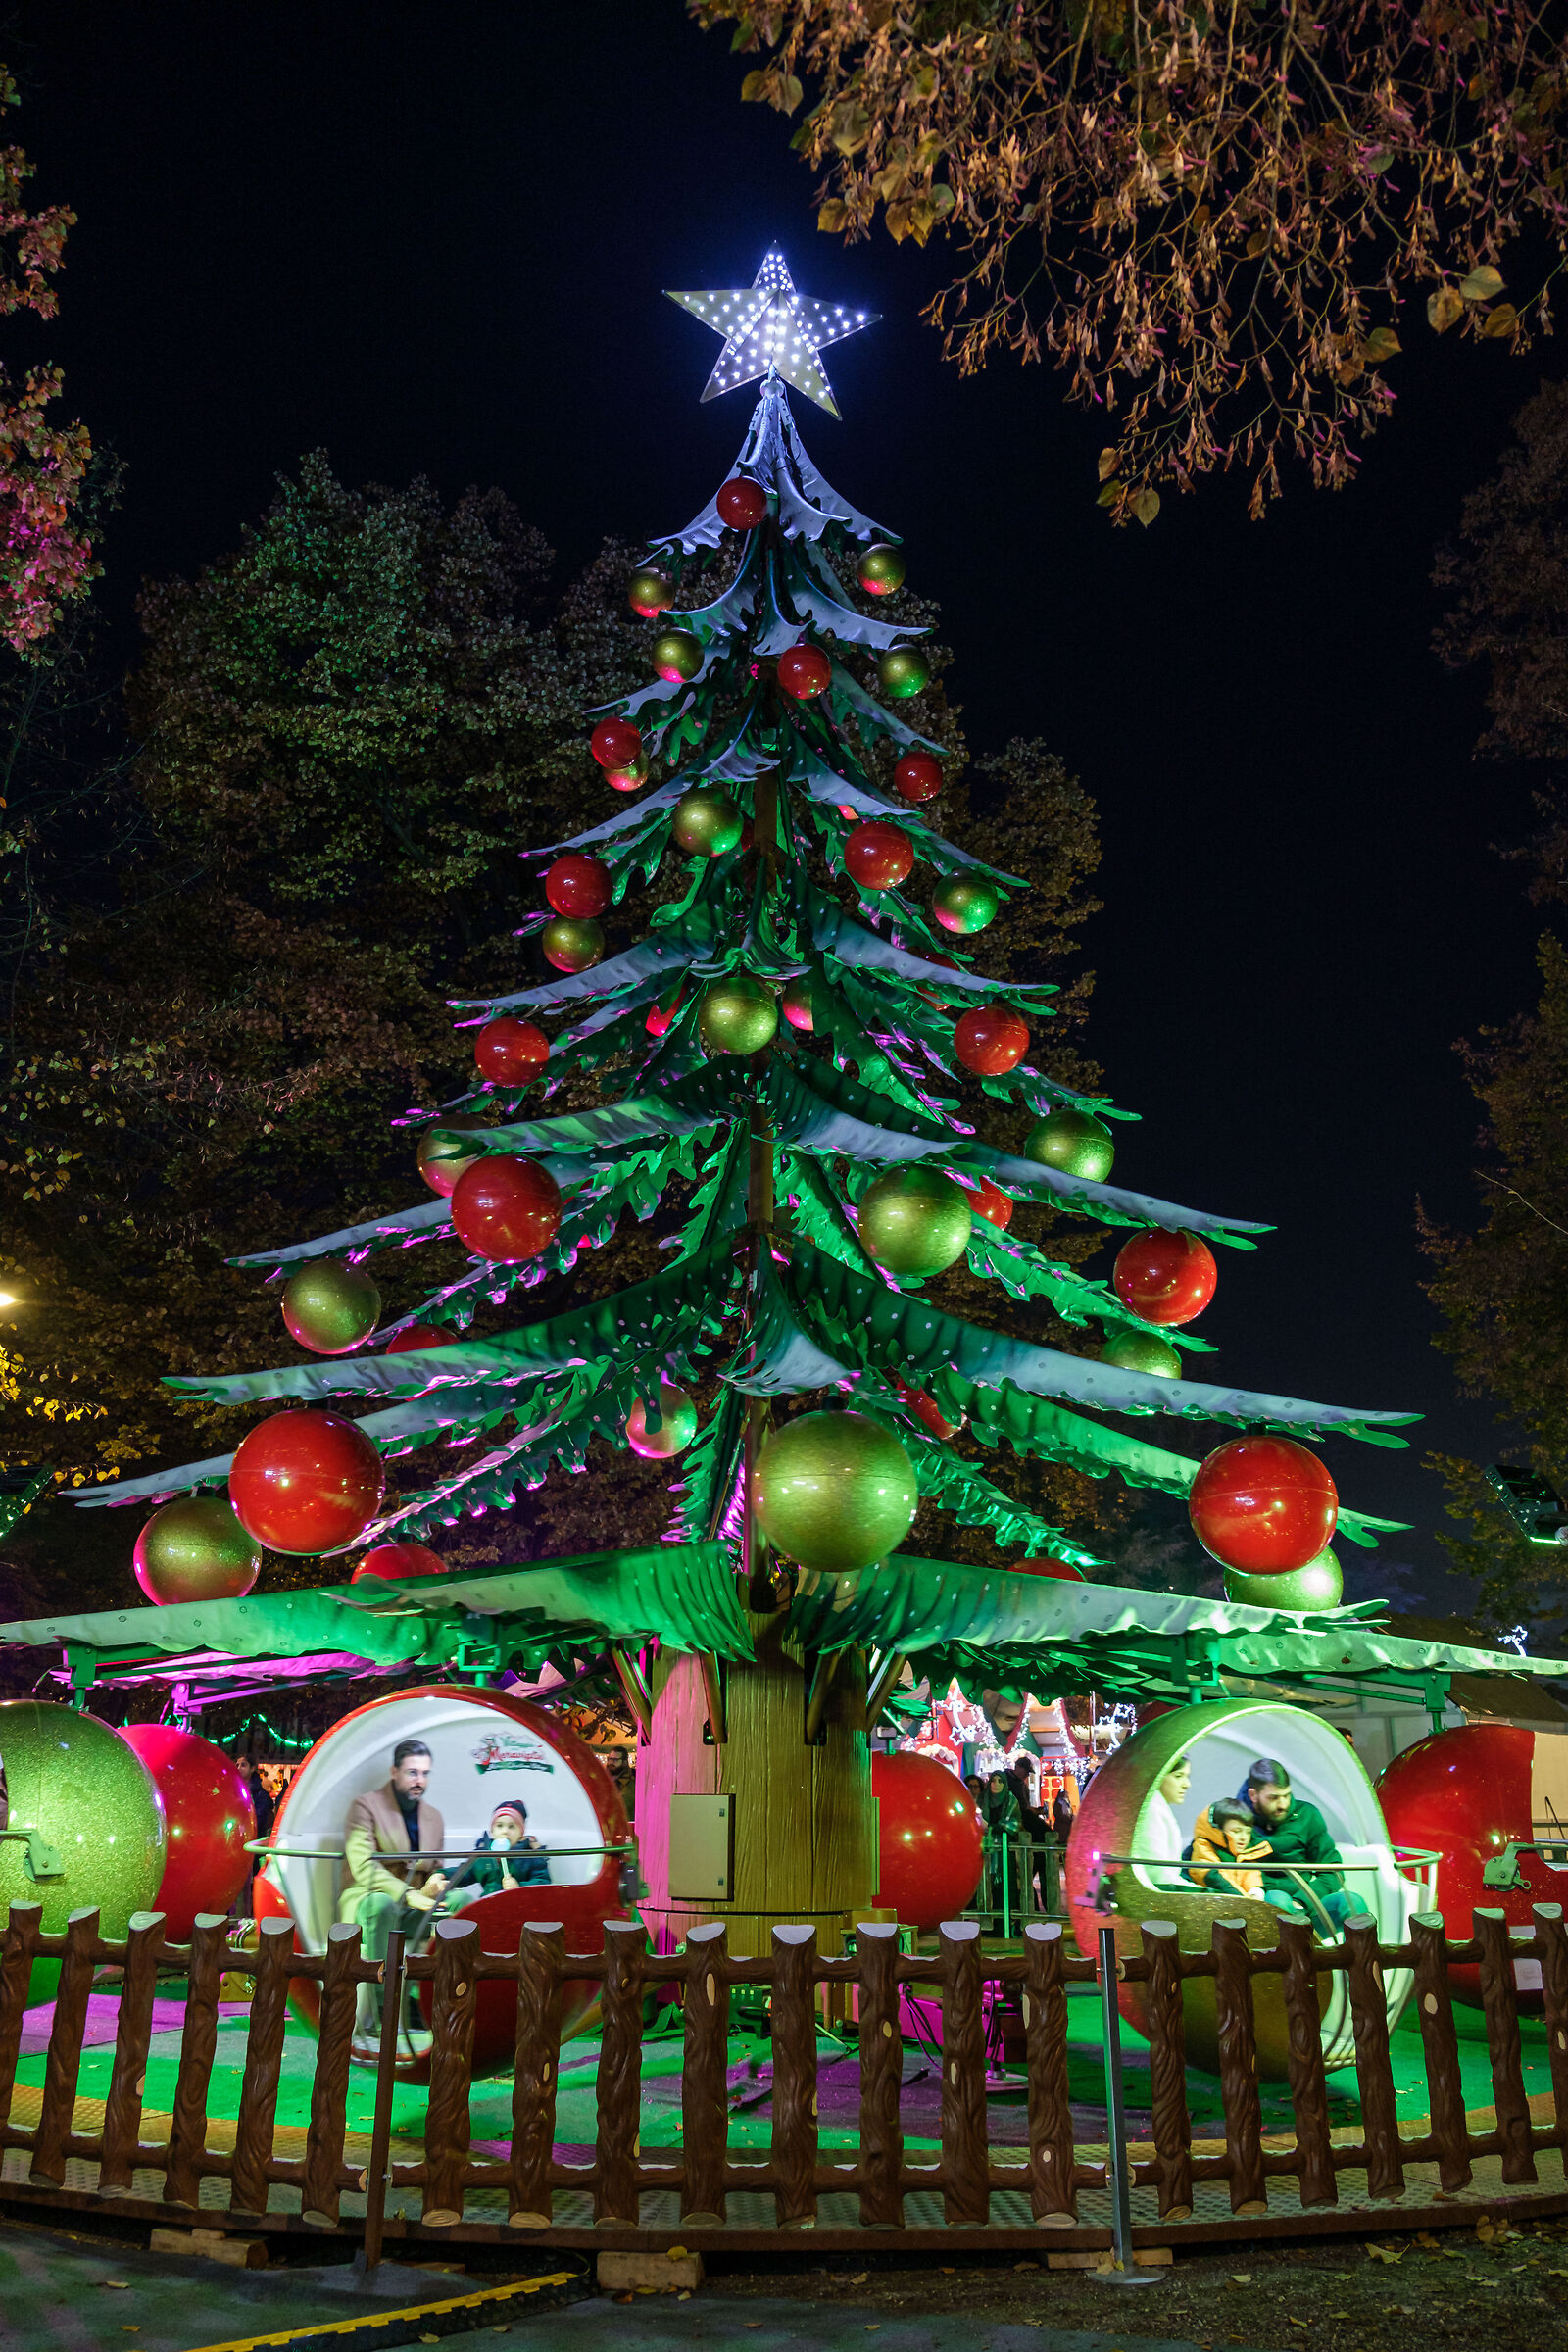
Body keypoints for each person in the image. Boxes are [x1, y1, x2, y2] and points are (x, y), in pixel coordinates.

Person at [339, 1738, 449, 2053]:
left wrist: (435, 1885)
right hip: (369, 1897)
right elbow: (363, 1867)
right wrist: (408, 1894)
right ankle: (385, 2015)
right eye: (412, 1773)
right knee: (382, 1906)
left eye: (425, 1773)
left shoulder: (434, 1817)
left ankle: (441, 2009)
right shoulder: (365, 1807)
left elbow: (434, 1868)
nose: (420, 1781)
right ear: (394, 1772)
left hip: (415, 1898)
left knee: (464, 1906)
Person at [1237, 1755, 1369, 1931]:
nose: (1282, 1804)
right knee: (1278, 1900)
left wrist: (1301, 1902)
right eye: (1274, 1798)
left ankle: (1362, 1957)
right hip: (1262, 1907)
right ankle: (1298, 1956)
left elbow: (1332, 1871)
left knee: (1353, 1903)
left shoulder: (1307, 1815)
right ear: (1253, 1795)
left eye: (1286, 1795)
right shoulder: (1236, 1822)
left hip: (1306, 1903)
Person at [444, 1800, 550, 1906]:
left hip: (519, 1907)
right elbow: (463, 1872)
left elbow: (543, 1881)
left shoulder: (530, 1856)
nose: (505, 1831)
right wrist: (443, 1875)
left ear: (521, 1835)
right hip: (487, 1906)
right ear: (492, 1831)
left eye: (511, 1826)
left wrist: (519, 1887)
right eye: (499, 1826)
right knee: (461, 1900)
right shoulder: (483, 1856)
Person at [1187, 1796, 1271, 1899]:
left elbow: (1250, 1874)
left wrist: (1256, 1890)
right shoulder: (1204, 1847)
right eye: (1236, 1831)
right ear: (1218, 1830)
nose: (1243, 1837)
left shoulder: (1245, 1851)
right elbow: (1216, 1878)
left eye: (1248, 1832)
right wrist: (1246, 1900)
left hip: (1237, 1902)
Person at [1139, 1752, 1191, 1887]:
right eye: (1178, 1776)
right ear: (1158, 1776)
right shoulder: (1151, 1809)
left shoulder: (1157, 1806)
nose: (1187, 1784)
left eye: (1187, 1777)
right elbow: (1158, 1874)